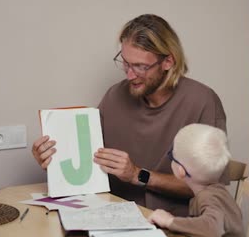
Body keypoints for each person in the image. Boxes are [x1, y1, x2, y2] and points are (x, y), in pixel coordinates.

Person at [31, 14, 228, 216]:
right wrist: (53, 160)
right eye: (125, 63)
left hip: (177, 224)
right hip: (113, 214)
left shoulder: (203, 101)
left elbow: (208, 187)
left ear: (168, 61)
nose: (130, 74)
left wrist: (137, 175)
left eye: (141, 66)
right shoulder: (114, 96)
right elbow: (85, 164)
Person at [148, 124, 244, 237]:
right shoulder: (216, 191)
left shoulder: (208, 197)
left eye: (172, 156)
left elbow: (213, 228)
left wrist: (170, 221)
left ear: (181, 171)